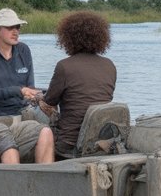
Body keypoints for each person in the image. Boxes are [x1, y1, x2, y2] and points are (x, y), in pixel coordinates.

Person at [0, 8, 54, 163]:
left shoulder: (23, 50)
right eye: (10, 28)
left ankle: (45, 180)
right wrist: (16, 91)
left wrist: (40, 97)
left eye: (17, 27)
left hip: (20, 113)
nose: (15, 32)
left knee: (46, 132)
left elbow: (30, 87)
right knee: (7, 146)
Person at [42, 11, 117, 158]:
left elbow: (49, 102)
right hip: (100, 142)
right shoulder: (110, 65)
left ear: (67, 38)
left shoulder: (64, 66)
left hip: (70, 144)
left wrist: (38, 98)